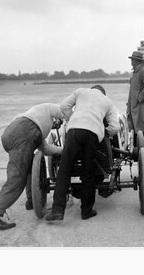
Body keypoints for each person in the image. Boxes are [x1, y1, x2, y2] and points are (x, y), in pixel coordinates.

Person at [0, 103, 64, 231]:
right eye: (56, 122)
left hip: (11, 132)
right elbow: (64, 111)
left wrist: (63, 150)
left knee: (29, 165)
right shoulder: (49, 109)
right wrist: (65, 120)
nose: (56, 125)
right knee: (16, 179)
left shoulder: (38, 122)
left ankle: (31, 201)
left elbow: (46, 149)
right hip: (24, 132)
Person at [45, 85, 119, 222]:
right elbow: (115, 127)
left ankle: (57, 210)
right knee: (88, 172)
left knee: (64, 170)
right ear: (103, 93)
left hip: (74, 131)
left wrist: (73, 118)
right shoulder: (107, 101)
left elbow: (64, 106)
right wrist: (102, 132)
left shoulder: (80, 91)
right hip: (92, 135)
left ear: (91, 89)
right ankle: (86, 211)